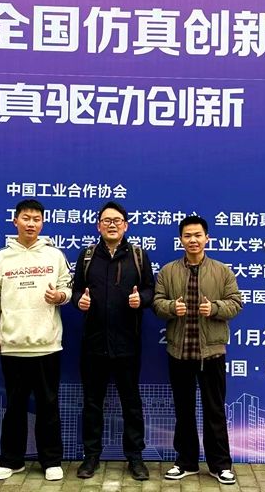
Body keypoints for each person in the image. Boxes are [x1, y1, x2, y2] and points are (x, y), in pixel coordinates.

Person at [153, 215, 243, 485]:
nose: (193, 240)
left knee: (214, 410)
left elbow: (236, 303)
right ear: (180, 240)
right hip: (179, 352)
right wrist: (172, 308)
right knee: (184, 410)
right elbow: (157, 303)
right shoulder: (168, 271)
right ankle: (186, 462)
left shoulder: (222, 271)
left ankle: (220, 465)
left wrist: (214, 308)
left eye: (198, 235)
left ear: (207, 238)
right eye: (187, 236)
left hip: (211, 353)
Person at [0, 199, 72, 482]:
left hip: (47, 344)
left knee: (48, 406)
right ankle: (12, 461)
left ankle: (51, 461)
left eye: (36, 219)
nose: (31, 223)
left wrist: (59, 296)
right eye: (26, 218)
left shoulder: (54, 256)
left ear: (42, 223)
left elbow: (67, 289)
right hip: (12, 345)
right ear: (15, 221)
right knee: (14, 408)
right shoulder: (0, 259)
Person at [71, 202, 155, 481]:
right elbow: (75, 291)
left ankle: (135, 457)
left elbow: (151, 290)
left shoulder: (138, 256)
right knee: (92, 402)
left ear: (125, 225)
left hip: (127, 342)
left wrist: (141, 299)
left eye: (117, 220)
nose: (111, 224)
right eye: (106, 220)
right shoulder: (87, 256)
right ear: (98, 226)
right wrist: (79, 301)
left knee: (131, 403)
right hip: (93, 343)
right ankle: (91, 456)